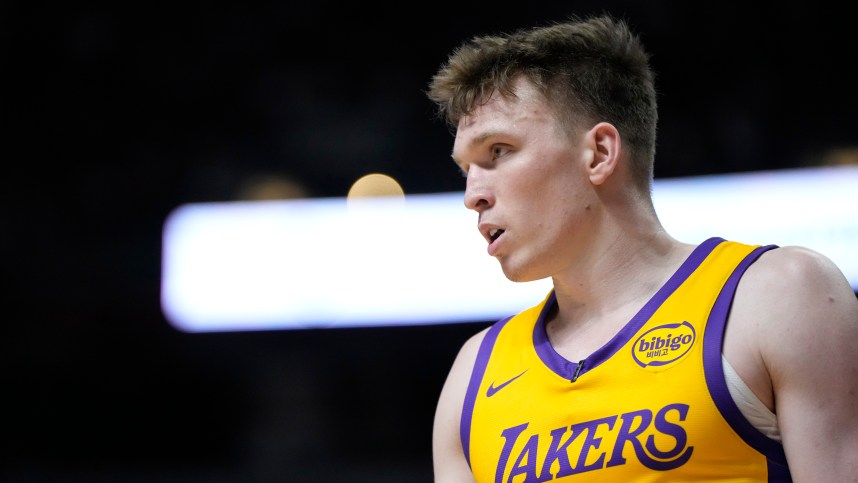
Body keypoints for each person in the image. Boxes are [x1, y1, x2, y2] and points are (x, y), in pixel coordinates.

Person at [425, 13, 858, 482]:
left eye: (499, 151)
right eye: (465, 169)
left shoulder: (778, 295)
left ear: (600, 153)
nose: (474, 195)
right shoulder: (472, 376)